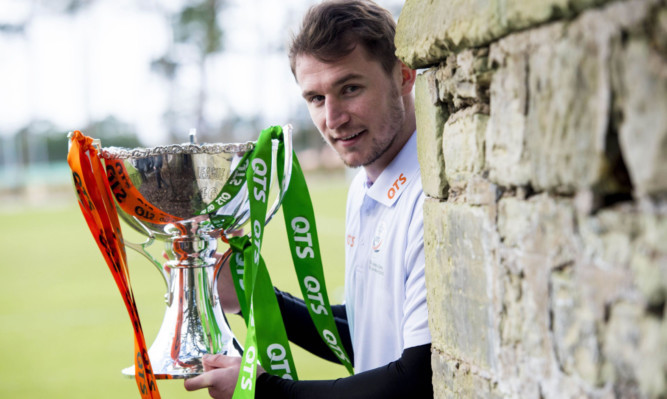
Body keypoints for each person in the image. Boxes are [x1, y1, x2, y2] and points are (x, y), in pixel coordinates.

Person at [184, 1, 432, 397]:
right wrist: (256, 294)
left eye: (349, 88)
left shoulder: (432, 198)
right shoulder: (365, 186)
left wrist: (265, 391)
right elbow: (370, 332)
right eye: (316, 98)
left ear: (404, 76)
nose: (333, 119)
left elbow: (417, 380)